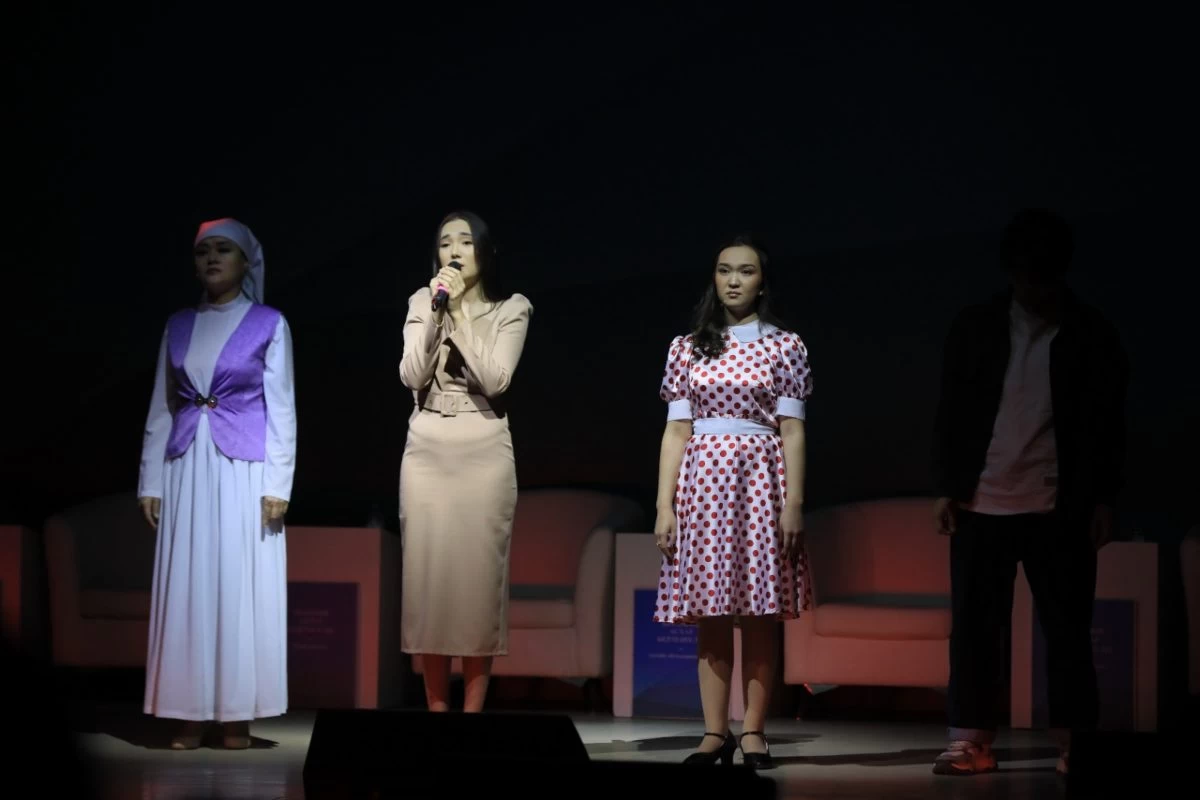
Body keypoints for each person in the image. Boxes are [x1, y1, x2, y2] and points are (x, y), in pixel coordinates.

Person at [930, 208, 1128, 776]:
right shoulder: (977, 325)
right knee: (975, 628)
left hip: (1060, 506)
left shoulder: (1091, 333)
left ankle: (1074, 739)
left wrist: (1103, 499)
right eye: (1024, 276)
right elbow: (952, 410)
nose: (1033, 289)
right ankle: (971, 739)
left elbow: (1108, 423)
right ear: (1010, 272)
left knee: (1067, 628)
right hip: (982, 500)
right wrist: (947, 486)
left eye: (1043, 276)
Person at [654, 235, 813, 769]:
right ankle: (714, 733)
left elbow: (792, 429)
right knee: (712, 614)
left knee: (760, 614)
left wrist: (794, 502)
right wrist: (664, 504)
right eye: (724, 270)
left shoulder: (783, 346)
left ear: (762, 281)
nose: (734, 280)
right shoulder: (687, 347)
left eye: (745, 271)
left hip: (760, 485)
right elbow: (676, 431)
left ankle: (754, 733)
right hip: (703, 486)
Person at [137, 217, 297, 749]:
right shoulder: (178, 324)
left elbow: (282, 409)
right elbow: (163, 405)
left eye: (223, 250)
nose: (211, 259)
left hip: (243, 470)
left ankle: (234, 716)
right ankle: (188, 712)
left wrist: (278, 484)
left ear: (245, 261)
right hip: (187, 467)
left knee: (236, 584)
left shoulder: (269, 323)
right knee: (191, 585)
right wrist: (151, 481)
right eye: (203, 251)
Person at [398, 210, 532, 713]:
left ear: (487, 252)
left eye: (466, 242)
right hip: (428, 445)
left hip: (482, 444)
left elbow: (496, 380)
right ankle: (437, 714)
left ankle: (472, 717)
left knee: (477, 585)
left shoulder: (512, 308)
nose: (454, 251)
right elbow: (412, 375)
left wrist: (459, 315)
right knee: (429, 581)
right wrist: (438, 314)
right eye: (445, 243)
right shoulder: (421, 301)